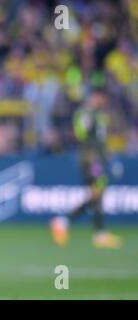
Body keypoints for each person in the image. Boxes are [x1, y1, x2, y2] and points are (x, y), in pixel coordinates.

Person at [50, 88, 122, 249]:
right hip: (91, 159)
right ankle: (65, 222)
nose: (102, 101)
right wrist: (92, 157)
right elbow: (83, 136)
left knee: (97, 193)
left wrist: (110, 159)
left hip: (98, 158)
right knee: (97, 192)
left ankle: (97, 233)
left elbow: (101, 141)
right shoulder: (84, 114)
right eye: (100, 97)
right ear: (93, 97)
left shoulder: (99, 115)